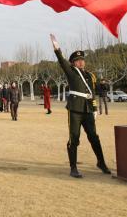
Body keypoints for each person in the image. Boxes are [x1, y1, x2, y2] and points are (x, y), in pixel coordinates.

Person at [50, 34, 111, 178]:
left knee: (94, 137)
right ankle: (73, 167)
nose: (81, 62)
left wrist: (95, 108)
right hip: (75, 109)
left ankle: (101, 162)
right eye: (77, 61)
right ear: (72, 63)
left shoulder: (90, 76)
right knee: (74, 138)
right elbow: (61, 61)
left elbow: (93, 93)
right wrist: (57, 50)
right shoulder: (71, 72)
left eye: (82, 60)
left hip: (88, 109)